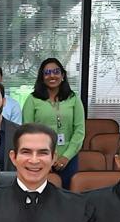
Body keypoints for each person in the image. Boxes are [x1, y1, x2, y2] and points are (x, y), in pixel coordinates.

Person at [22, 57, 85, 189]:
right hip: (40, 158)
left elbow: (79, 131)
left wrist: (66, 157)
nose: (52, 76)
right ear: (42, 77)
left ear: (62, 76)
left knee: (68, 196)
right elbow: (27, 133)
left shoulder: (73, 98)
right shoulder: (32, 99)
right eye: (47, 73)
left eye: (56, 72)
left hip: (69, 159)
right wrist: (44, 158)